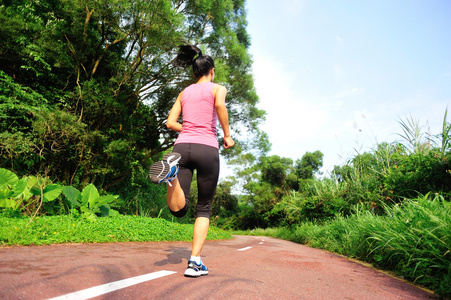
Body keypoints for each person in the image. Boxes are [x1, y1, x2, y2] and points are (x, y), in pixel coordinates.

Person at [149, 44, 235, 277]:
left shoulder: (184, 92)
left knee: (179, 209)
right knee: (203, 208)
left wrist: (187, 128)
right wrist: (226, 135)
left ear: (195, 73)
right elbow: (219, 105)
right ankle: (195, 262)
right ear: (212, 71)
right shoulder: (218, 88)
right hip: (206, 148)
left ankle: (171, 176)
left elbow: (170, 123)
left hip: (182, 148)